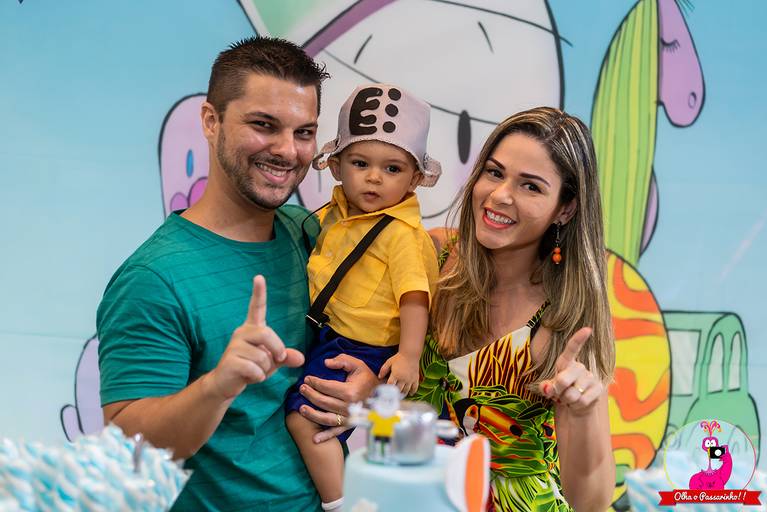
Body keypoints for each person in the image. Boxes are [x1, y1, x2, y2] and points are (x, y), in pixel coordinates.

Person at [96, 37, 378, 511]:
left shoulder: (312, 236)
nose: (288, 150)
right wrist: (218, 385)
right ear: (211, 121)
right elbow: (130, 453)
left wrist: (365, 384)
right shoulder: (153, 279)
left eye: (304, 132)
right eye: (264, 125)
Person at [409, 107, 616, 511]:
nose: (500, 195)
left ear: (565, 208)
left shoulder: (565, 320)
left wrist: (584, 412)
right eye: (494, 172)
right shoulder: (432, 255)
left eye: (530, 186)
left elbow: (590, 501)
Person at [285, 83, 441, 512]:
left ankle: (341, 504)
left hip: (362, 347)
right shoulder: (333, 215)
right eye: (360, 163)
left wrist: (408, 356)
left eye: (392, 168)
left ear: (415, 178)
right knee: (316, 416)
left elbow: (415, 298)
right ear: (336, 166)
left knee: (305, 417)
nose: (374, 177)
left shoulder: (401, 234)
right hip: (332, 335)